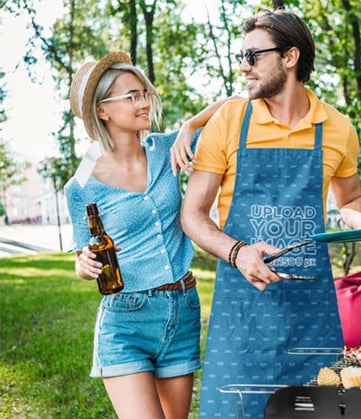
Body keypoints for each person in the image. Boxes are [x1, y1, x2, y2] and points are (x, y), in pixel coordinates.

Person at [181, 8, 361, 418]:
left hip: (310, 313)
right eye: (240, 56)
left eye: (253, 56)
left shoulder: (337, 127)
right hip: (243, 310)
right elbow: (193, 215)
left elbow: (350, 201)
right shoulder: (229, 121)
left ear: (289, 57)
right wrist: (238, 252)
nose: (242, 67)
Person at [64, 51, 230, 419]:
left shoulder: (167, 150)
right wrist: (85, 265)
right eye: (131, 96)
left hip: (182, 308)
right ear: (102, 111)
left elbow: (233, 105)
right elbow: (81, 258)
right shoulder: (81, 187)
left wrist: (190, 125)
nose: (144, 103)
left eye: (144, 93)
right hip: (126, 320)